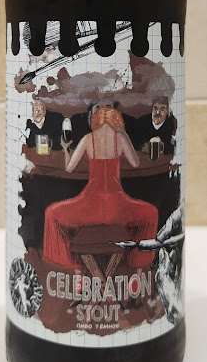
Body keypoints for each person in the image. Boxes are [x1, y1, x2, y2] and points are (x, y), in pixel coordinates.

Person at [43, 107, 158, 269]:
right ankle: (137, 262)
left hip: (89, 205)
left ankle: (73, 264)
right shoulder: (120, 138)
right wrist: (124, 134)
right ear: (116, 122)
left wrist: (65, 148)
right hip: (118, 207)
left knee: (52, 213)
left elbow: (69, 168)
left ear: (96, 121)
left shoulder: (88, 139)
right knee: (151, 212)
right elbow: (135, 163)